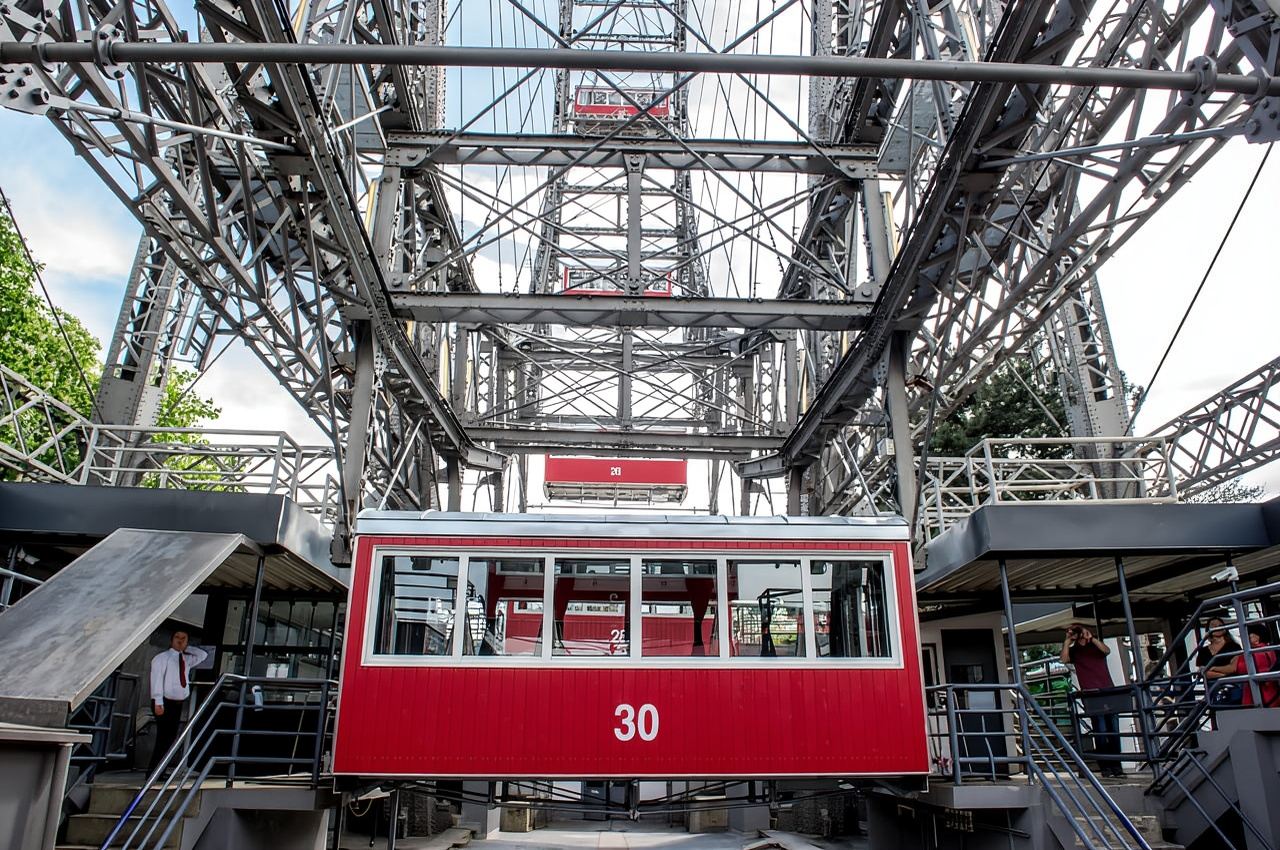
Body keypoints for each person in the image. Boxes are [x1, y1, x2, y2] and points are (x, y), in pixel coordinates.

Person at [1061, 623, 1123, 777]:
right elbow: (1064, 659)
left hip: (1107, 690)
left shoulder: (1095, 646)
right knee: (1100, 730)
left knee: (1113, 730)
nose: (1076, 634)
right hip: (1091, 694)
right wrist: (1067, 642)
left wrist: (1091, 637)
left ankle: (1117, 766)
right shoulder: (1075, 651)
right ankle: (1105, 766)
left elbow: (1106, 650)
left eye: (1077, 631)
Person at [148, 631, 208, 774]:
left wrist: (187, 648)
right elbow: (156, 680)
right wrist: (158, 701)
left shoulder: (185, 659)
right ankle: (153, 770)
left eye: (183, 639)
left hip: (177, 703)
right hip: (164, 702)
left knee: (170, 738)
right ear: (171, 640)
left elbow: (202, 655)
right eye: (177, 638)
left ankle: (160, 770)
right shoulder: (162, 658)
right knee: (163, 737)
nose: (180, 641)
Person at [1209, 624, 1279, 708]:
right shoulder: (1270, 650)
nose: (1245, 637)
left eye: (1249, 634)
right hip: (1273, 695)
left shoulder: (1251, 653)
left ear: (1257, 637)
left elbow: (1235, 669)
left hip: (1259, 697)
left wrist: (1213, 668)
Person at [1197, 617, 1243, 706]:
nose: (1217, 627)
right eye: (1213, 626)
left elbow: (1233, 668)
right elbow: (1204, 672)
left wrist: (1213, 668)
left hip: (1233, 685)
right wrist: (1224, 675)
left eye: (1219, 625)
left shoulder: (1234, 647)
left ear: (1224, 629)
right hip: (1212, 688)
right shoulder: (1203, 651)